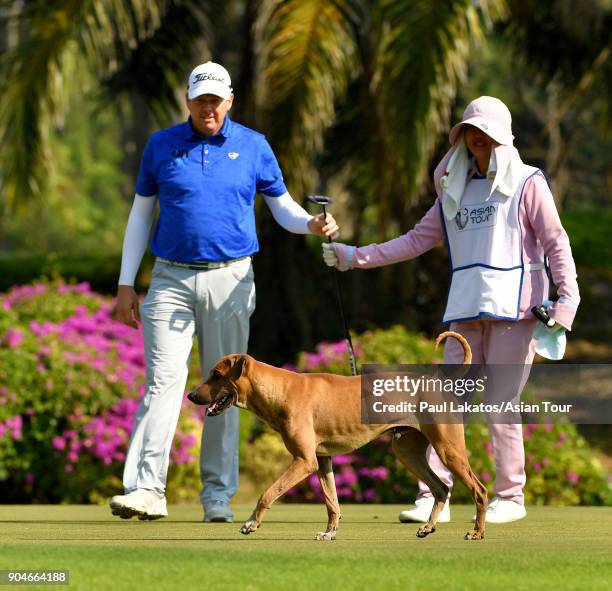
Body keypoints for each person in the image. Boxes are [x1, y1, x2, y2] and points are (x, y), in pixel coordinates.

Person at [322, 96, 579, 524]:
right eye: (470, 132)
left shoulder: (528, 182)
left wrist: (566, 304)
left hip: (518, 310)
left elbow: (557, 244)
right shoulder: (453, 188)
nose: (478, 140)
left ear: (503, 138)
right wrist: (353, 256)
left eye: (487, 134)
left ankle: (510, 497)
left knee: (500, 401)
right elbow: (414, 240)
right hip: (465, 310)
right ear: (461, 136)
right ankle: (434, 495)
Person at [109, 61, 339, 523]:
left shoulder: (254, 146)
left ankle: (217, 495)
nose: (208, 107)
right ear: (188, 101)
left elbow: (284, 209)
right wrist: (125, 282)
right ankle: (146, 489)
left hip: (231, 278)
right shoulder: (162, 146)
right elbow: (140, 216)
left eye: (215, 100)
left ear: (229, 100)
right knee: (162, 382)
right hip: (171, 278)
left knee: (227, 391)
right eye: (200, 100)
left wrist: (310, 224)